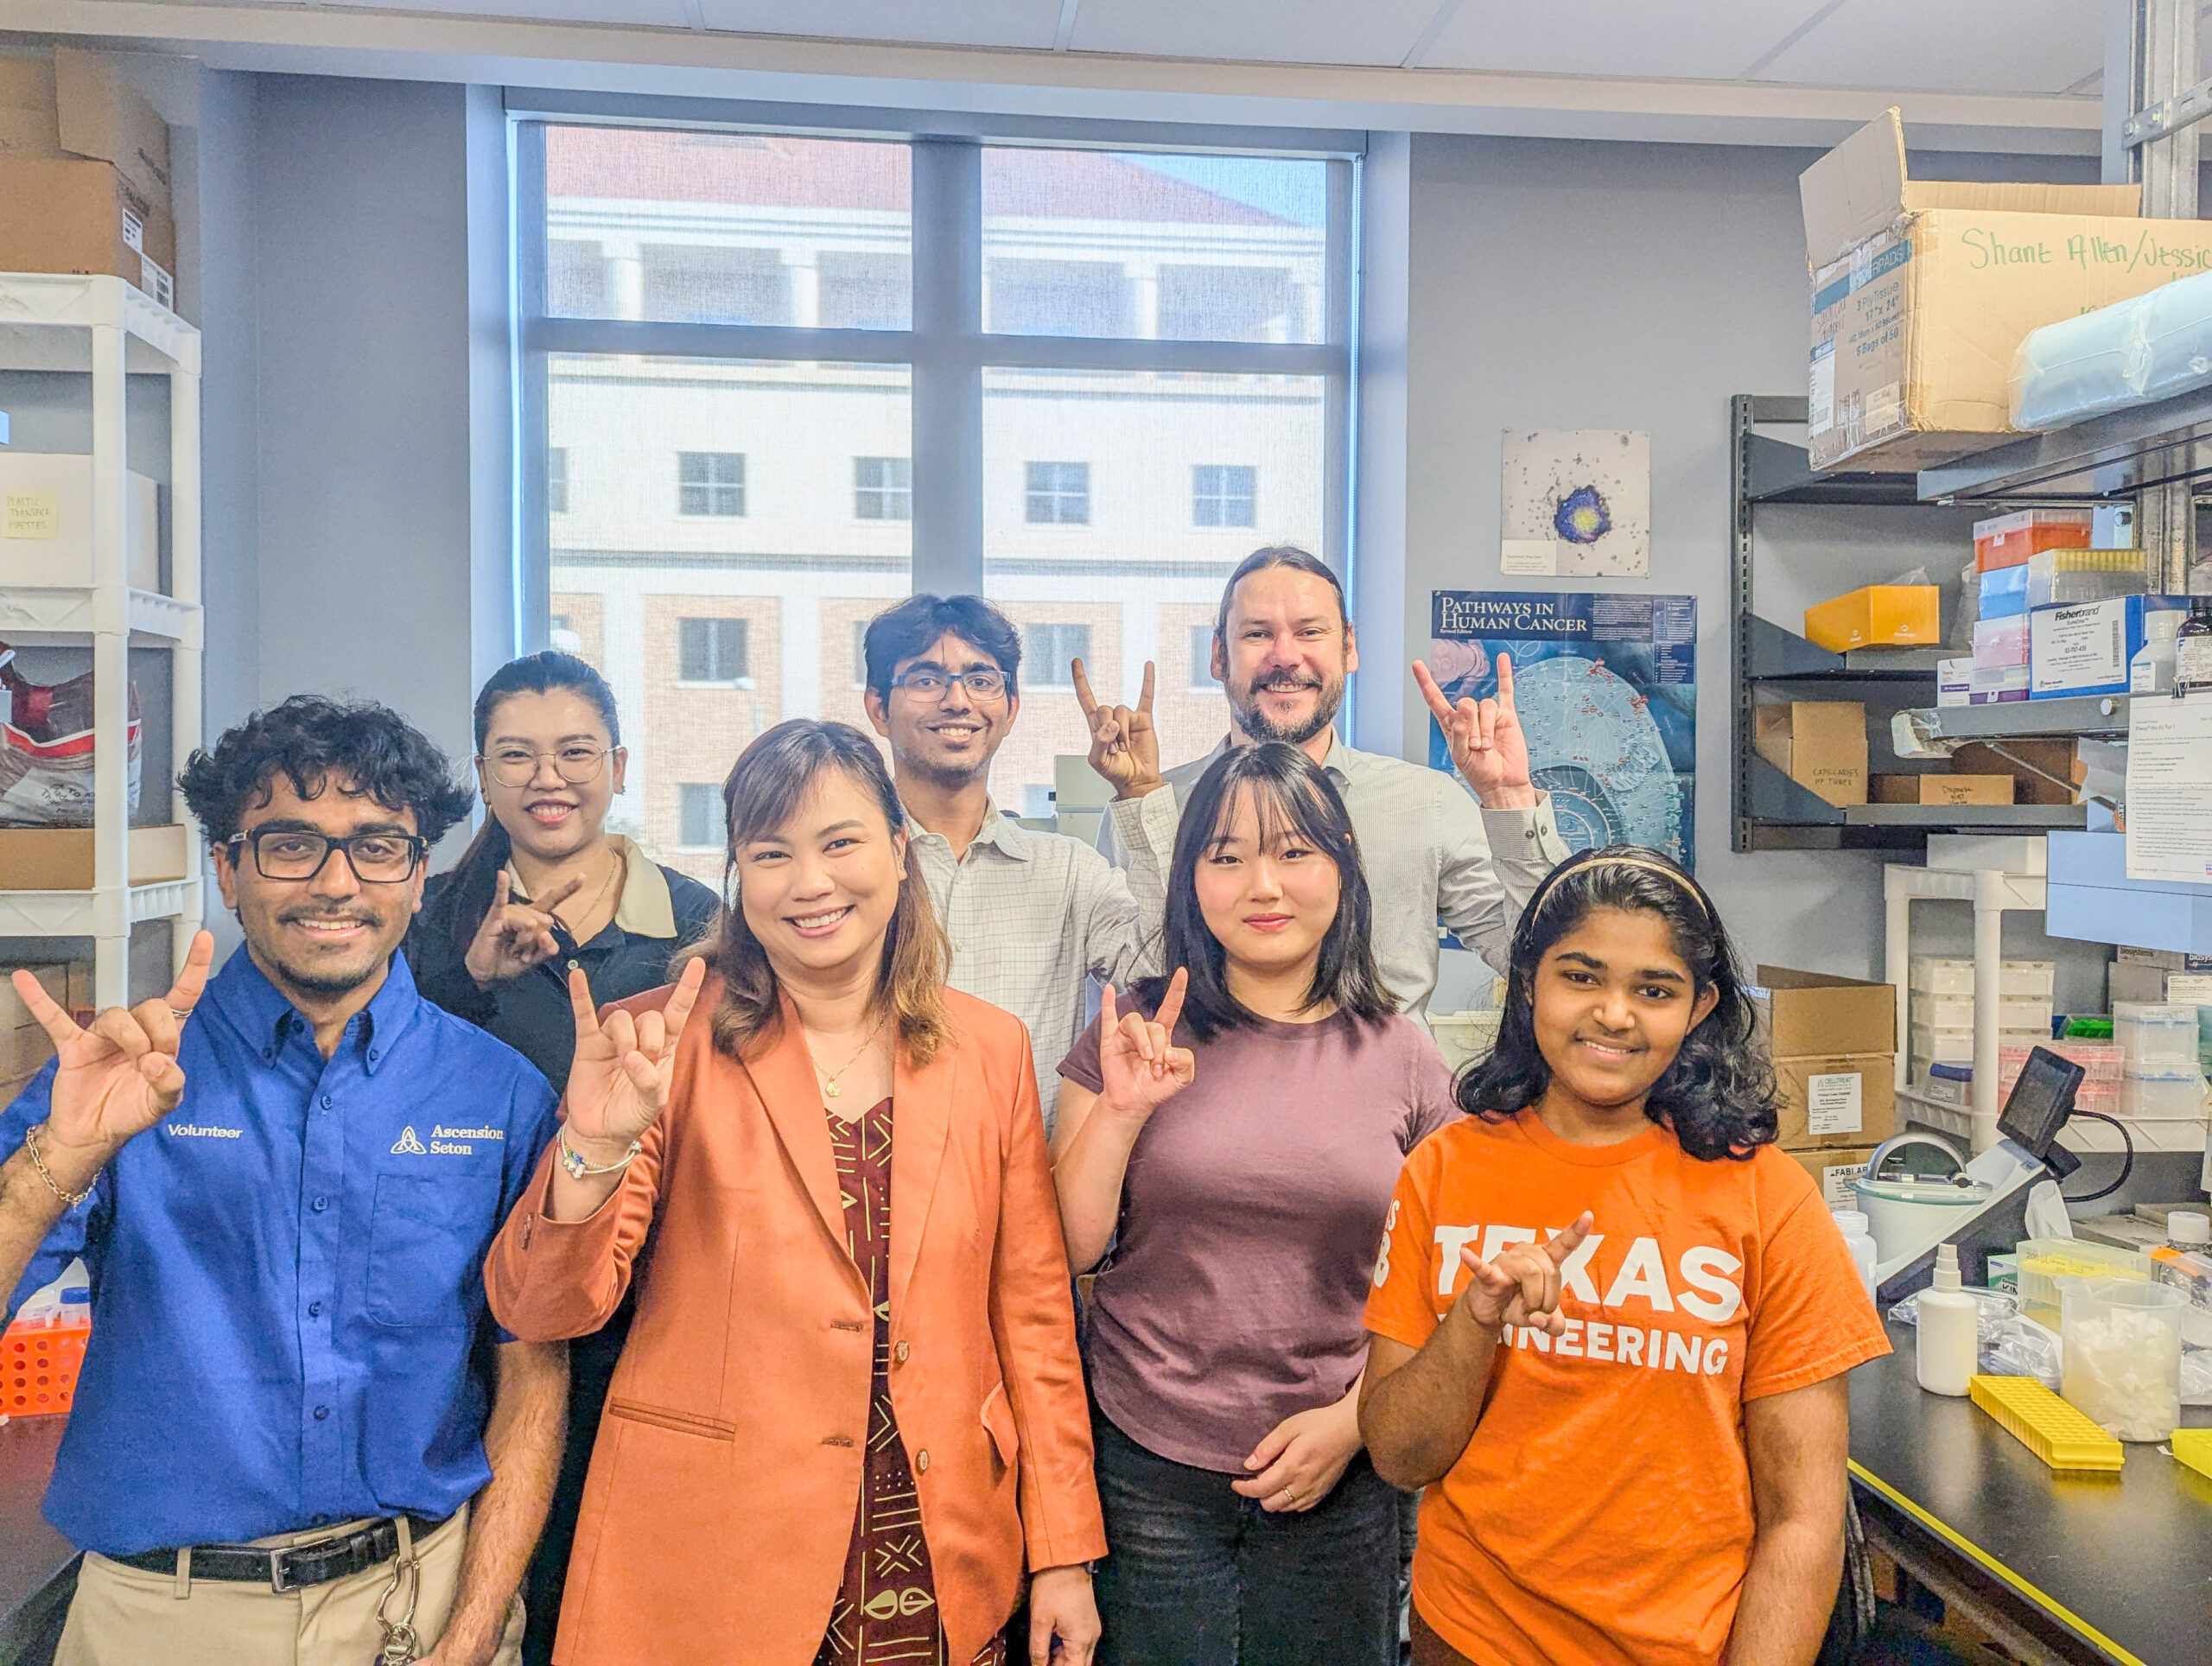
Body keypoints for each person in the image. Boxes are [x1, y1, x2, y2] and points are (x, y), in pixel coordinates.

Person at [485, 720, 1104, 1666]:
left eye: (840, 842)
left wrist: (1063, 1551)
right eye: (771, 853)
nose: (809, 882)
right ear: (739, 874)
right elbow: (549, 1305)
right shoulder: (659, 1041)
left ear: (899, 850)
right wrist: (592, 1149)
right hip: (715, 1551)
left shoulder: (991, 1047)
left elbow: (1032, 1316)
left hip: (936, 1541)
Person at [0, 695, 564, 1666]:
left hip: (414, 1599)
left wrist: (472, 1631)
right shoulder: (124, 1073)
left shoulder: (499, 1092)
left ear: (419, 873)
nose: (336, 883)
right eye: (290, 843)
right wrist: (67, 1155)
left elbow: (530, 1374)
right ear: (229, 865)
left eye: (379, 845)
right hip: (163, 1617)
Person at [1358, 848, 1891, 1666]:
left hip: (1685, 1643)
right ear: (1530, 979)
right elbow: (1400, 1455)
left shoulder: (1770, 1200)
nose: (1614, 1014)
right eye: (1581, 976)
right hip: (1470, 1637)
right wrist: (1475, 1319)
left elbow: (1804, 1519)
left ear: (1700, 1006)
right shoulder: (1444, 1169)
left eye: (1654, 990)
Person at [1051, 741, 1456, 1666]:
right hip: (1144, 1453)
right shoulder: (1133, 1027)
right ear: (1190, 875)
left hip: (1339, 1467)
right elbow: (1066, 1249)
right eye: (1226, 855)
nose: (1261, 883)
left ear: (1342, 865)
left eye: (1294, 851)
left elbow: (1449, 1281)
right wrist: (1119, 1112)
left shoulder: (1402, 1052)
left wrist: (1356, 1421)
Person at [404, 651, 719, 1666]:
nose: (550, 776)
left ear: (619, 765)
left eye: (577, 750)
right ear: (485, 773)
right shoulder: (421, 931)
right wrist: (471, 983)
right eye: (519, 755)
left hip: (654, 1312)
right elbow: (385, 1102)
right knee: (493, 1590)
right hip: (468, 1316)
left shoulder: (702, 927)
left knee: (626, 1591)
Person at [1084, 544, 1570, 1009]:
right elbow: (1138, 988)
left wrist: (1510, 799)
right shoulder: (1148, 809)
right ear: (1218, 656)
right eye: (1257, 634)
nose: (1286, 656)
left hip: (1391, 1091)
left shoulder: (1429, 803)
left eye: (1310, 632)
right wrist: (1145, 804)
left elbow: (1547, 960)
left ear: (1349, 648)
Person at [861, 594, 1157, 1133]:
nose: (957, 700)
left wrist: (1140, 796)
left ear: (1010, 708)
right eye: (926, 680)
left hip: (1032, 1198)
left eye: (981, 679)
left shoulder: (1068, 873)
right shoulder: (848, 873)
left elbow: (1159, 968)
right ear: (878, 708)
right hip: (874, 1191)